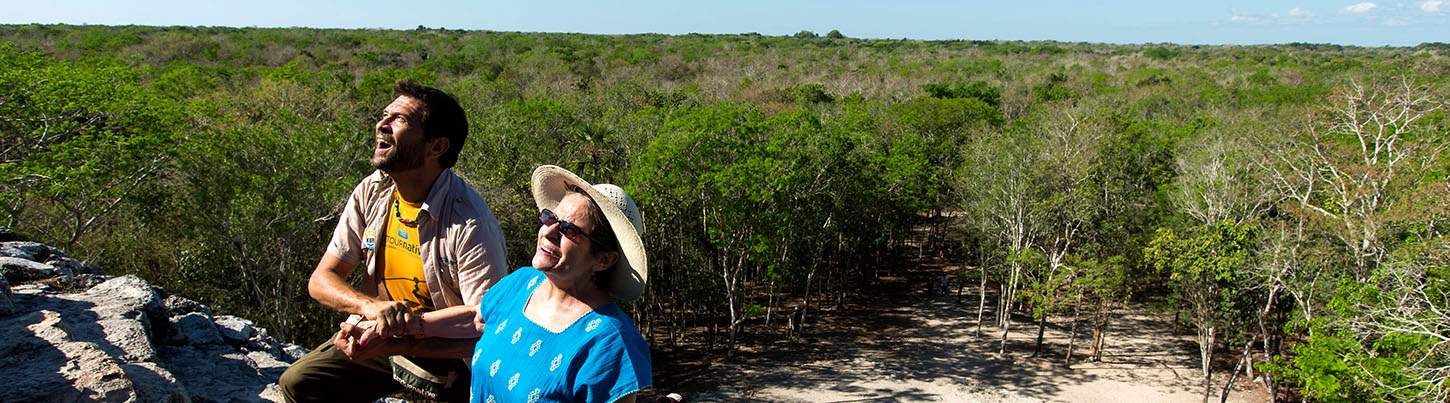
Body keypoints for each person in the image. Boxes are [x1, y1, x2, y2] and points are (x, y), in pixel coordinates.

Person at [279, 81, 509, 403]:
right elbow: (321, 280)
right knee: (299, 382)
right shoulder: (372, 191)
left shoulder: (468, 222)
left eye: (399, 120)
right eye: (385, 115)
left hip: (448, 353)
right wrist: (369, 308)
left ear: (436, 147)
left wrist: (408, 337)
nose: (381, 125)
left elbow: (485, 324)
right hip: (383, 338)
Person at [391, 165, 653, 402]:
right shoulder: (523, 282)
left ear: (603, 260)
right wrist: (409, 329)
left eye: (569, 230)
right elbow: (477, 317)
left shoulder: (609, 344)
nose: (549, 232)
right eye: (550, 218)